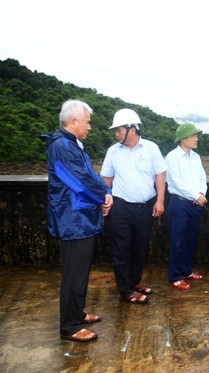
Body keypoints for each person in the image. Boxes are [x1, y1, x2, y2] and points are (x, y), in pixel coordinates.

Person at [43, 100, 113, 342]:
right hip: (72, 220)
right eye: (87, 122)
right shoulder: (62, 146)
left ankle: (76, 313)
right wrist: (104, 195)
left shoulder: (71, 144)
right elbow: (79, 180)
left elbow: (89, 174)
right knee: (74, 273)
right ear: (73, 122)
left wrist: (104, 192)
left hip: (81, 218)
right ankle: (69, 326)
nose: (90, 127)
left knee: (81, 271)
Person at [101, 108, 167, 304]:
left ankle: (135, 281)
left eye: (120, 130)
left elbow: (160, 175)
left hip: (146, 206)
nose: (117, 134)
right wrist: (105, 199)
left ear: (132, 129)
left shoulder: (151, 148)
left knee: (140, 247)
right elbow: (106, 179)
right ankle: (125, 290)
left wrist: (160, 200)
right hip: (121, 207)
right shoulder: (113, 151)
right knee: (121, 249)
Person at [165, 123, 208, 290]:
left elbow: (202, 177)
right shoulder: (172, 157)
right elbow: (176, 182)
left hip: (195, 204)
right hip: (179, 204)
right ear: (183, 139)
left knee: (191, 239)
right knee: (177, 241)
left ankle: (186, 270)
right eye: (193, 136)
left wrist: (201, 194)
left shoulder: (195, 157)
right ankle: (174, 276)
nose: (196, 139)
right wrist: (197, 196)